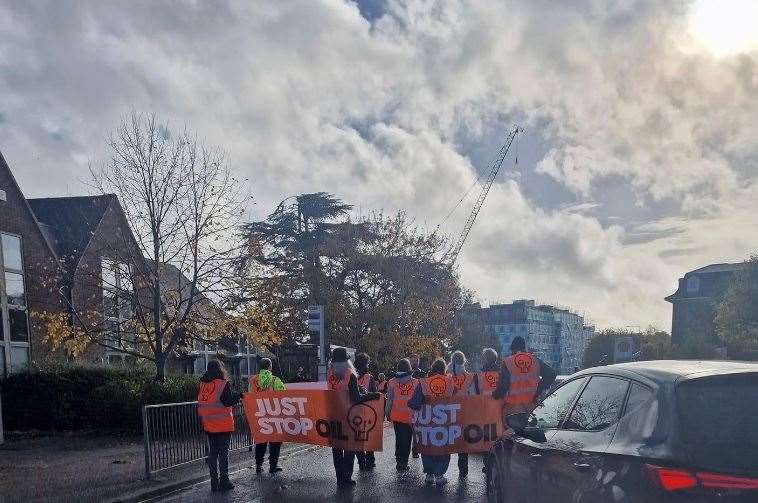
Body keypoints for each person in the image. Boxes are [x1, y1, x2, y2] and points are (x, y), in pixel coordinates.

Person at [327, 347, 381, 488]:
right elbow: (356, 398)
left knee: (336, 448)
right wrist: (371, 395)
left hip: (333, 416)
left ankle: (340, 478)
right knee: (349, 448)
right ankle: (346, 478)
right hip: (347, 416)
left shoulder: (330, 374)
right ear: (347, 361)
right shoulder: (350, 374)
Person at [197, 359, 241, 492]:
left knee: (213, 453)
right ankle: (224, 481)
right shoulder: (222, 384)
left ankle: (214, 482)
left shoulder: (203, 384)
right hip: (222, 424)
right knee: (223, 454)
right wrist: (238, 396)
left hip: (209, 424)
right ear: (220, 369)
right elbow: (227, 401)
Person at [409, 358, 453, 486]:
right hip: (445, 420)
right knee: (443, 447)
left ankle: (429, 474)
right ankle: (439, 475)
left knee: (427, 446)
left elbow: (414, 403)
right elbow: (458, 400)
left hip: (426, 421)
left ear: (432, 368)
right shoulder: (450, 382)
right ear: (444, 369)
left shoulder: (424, 382)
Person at [492, 336, 557, 416]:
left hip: (514, 410)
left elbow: (503, 386)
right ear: (524, 348)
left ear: (512, 349)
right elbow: (551, 374)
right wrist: (538, 392)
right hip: (532, 408)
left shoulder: (508, 362)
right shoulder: (535, 360)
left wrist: (495, 395)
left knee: (513, 428)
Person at [250, 358, 286, 474]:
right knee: (275, 441)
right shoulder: (275, 380)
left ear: (260, 367)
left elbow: (250, 397)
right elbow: (284, 396)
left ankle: (259, 466)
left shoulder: (253, 380)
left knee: (261, 441)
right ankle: (273, 466)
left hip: (259, 415)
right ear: (270, 367)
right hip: (274, 415)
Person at [384, 358, 419, 471]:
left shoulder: (392, 382)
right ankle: (403, 462)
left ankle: (399, 460)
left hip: (396, 416)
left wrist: (387, 413)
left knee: (399, 438)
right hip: (410, 416)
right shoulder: (416, 382)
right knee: (407, 439)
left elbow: (389, 400)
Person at [447, 350, 476, 478]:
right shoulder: (470, 377)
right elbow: (474, 397)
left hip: (448, 413)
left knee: (444, 439)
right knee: (463, 442)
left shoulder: (447, 376)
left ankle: (439, 471)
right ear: (464, 361)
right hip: (464, 413)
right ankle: (463, 470)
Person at [354, 352, 377, 471]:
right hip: (368, 412)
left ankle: (361, 461)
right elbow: (375, 395)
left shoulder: (351, 376)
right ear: (366, 364)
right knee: (368, 436)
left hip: (354, 412)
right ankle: (370, 460)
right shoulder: (369, 378)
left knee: (357, 437)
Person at [409, 354, 425, 458]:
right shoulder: (405, 372)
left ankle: (415, 449)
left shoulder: (421, 374)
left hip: (417, 403)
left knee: (416, 428)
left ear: (418, 361)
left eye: (415, 360)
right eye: (412, 360)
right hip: (406, 403)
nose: (414, 362)